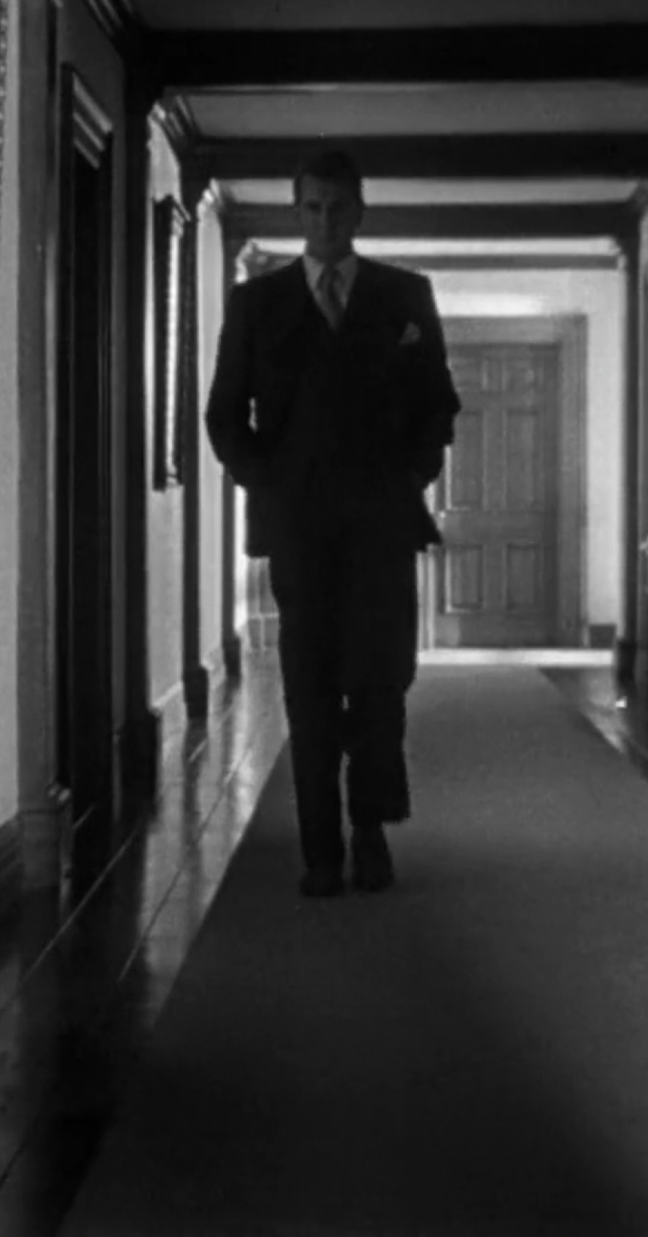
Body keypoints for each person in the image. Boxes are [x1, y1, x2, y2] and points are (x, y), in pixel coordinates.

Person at [205, 150, 461, 898]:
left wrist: (409, 477)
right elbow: (225, 415)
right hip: (299, 531)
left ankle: (370, 830)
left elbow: (438, 405)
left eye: (338, 206)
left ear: (358, 211)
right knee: (310, 687)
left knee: (380, 684)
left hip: (383, 526)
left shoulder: (404, 295)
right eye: (312, 207)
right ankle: (321, 849)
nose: (325, 221)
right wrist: (270, 485)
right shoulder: (258, 303)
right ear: (298, 212)